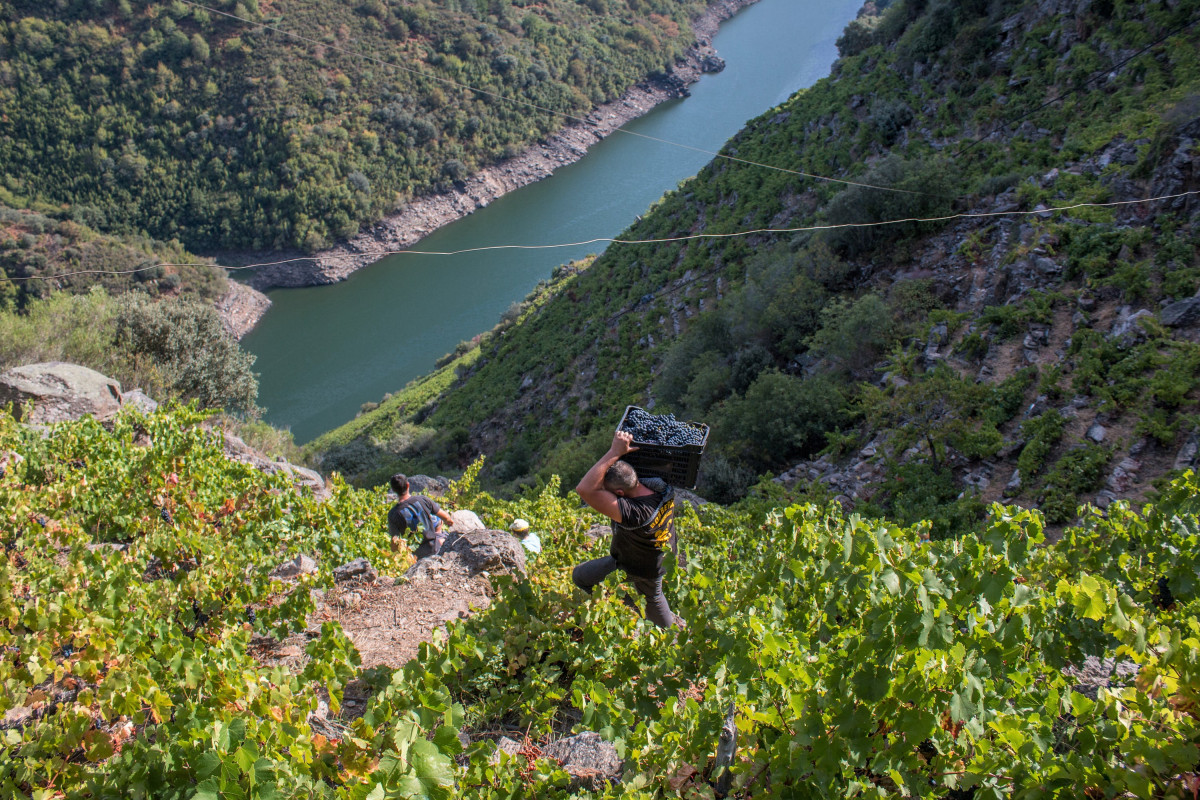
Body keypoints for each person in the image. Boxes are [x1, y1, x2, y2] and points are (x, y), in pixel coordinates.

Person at [572, 430, 680, 629]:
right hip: (663, 556)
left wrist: (614, 451)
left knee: (581, 578)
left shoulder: (634, 514)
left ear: (620, 493)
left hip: (638, 565)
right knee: (653, 595)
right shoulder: (661, 487)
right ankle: (670, 636)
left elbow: (585, 489)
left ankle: (632, 609)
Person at [387, 473, 454, 559]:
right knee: (439, 522)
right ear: (408, 485)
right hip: (434, 548)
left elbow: (394, 544)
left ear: (393, 489)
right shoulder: (422, 500)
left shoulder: (393, 514)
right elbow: (446, 518)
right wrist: (450, 523)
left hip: (415, 556)